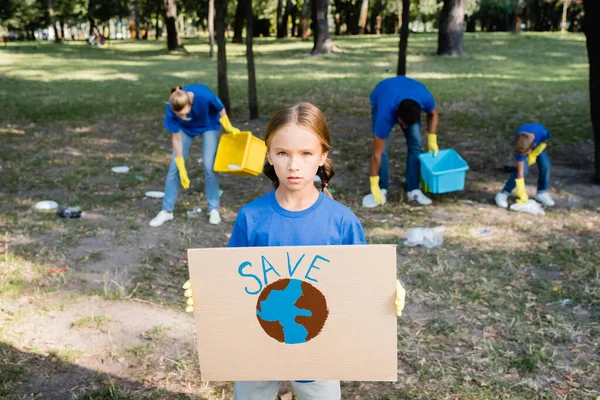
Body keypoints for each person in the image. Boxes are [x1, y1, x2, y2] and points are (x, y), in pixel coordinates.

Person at [183, 102, 406, 399]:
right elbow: (234, 282)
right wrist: (209, 291)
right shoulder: (251, 217)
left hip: (320, 346)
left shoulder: (342, 222)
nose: (294, 165)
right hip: (258, 344)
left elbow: (359, 283)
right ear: (269, 155)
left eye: (306, 154)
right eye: (283, 153)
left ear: (323, 156)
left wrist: (384, 291)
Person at [150, 85, 240, 227]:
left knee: (209, 167)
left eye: (184, 114)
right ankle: (167, 211)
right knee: (174, 168)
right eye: (179, 115)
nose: (183, 117)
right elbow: (176, 138)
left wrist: (228, 125)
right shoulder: (172, 105)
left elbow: (220, 107)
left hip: (209, 125)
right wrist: (181, 165)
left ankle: (213, 209)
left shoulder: (204, 95)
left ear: (191, 102)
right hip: (185, 130)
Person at [368, 76, 440, 206]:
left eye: (409, 125)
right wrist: (373, 181)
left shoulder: (425, 98)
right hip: (384, 93)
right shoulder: (384, 115)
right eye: (403, 124)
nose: (405, 128)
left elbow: (433, 114)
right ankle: (381, 188)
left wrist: (432, 138)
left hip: (410, 93)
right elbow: (377, 154)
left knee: (415, 146)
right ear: (396, 115)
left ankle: (413, 189)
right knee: (382, 150)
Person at [494, 123, 555, 208]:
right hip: (526, 145)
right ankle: (503, 193)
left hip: (538, 145)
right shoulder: (519, 145)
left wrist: (535, 153)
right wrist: (521, 190)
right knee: (523, 170)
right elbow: (520, 172)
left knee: (545, 166)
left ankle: (542, 192)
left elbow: (544, 141)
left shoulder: (542, 133)